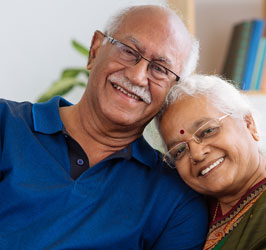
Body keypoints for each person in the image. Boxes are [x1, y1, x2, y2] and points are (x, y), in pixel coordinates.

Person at [0, 5, 208, 250]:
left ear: (173, 92)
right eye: (129, 51)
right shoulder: (5, 123)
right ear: (95, 49)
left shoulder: (177, 200)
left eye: (160, 69)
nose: (138, 76)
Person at [157, 74, 266, 250]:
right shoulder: (184, 214)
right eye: (179, 150)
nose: (197, 154)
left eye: (208, 131)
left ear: (249, 124)